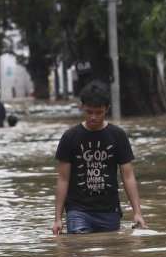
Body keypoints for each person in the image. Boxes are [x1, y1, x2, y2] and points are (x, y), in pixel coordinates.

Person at [52, 82, 147, 235]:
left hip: (109, 211)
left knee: (110, 256)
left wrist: (138, 213)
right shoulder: (70, 137)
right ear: (82, 107)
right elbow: (63, 179)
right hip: (78, 211)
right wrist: (57, 218)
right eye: (89, 112)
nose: (93, 117)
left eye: (99, 112)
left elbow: (128, 176)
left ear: (107, 109)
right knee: (80, 251)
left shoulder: (117, 136)